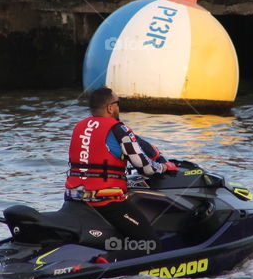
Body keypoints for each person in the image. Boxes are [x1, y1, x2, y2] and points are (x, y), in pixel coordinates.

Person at [67, 87, 176, 259]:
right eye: (118, 103)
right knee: (151, 244)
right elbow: (146, 167)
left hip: (74, 199)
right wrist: (165, 167)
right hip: (104, 202)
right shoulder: (119, 130)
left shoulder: (79, 127)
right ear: (110, 107)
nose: (119, 107)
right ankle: (107, 261)